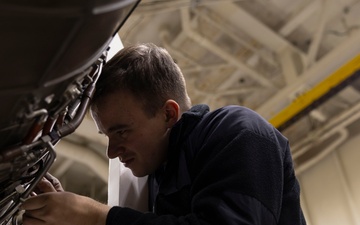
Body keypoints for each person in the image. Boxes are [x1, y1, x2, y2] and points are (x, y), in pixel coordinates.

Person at [21, 43, 307, 225]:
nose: (111, 151)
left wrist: (96, 217)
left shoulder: (238, 130)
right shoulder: (155, 183)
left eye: (121, 131)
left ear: (168, 114)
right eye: (107, 135)